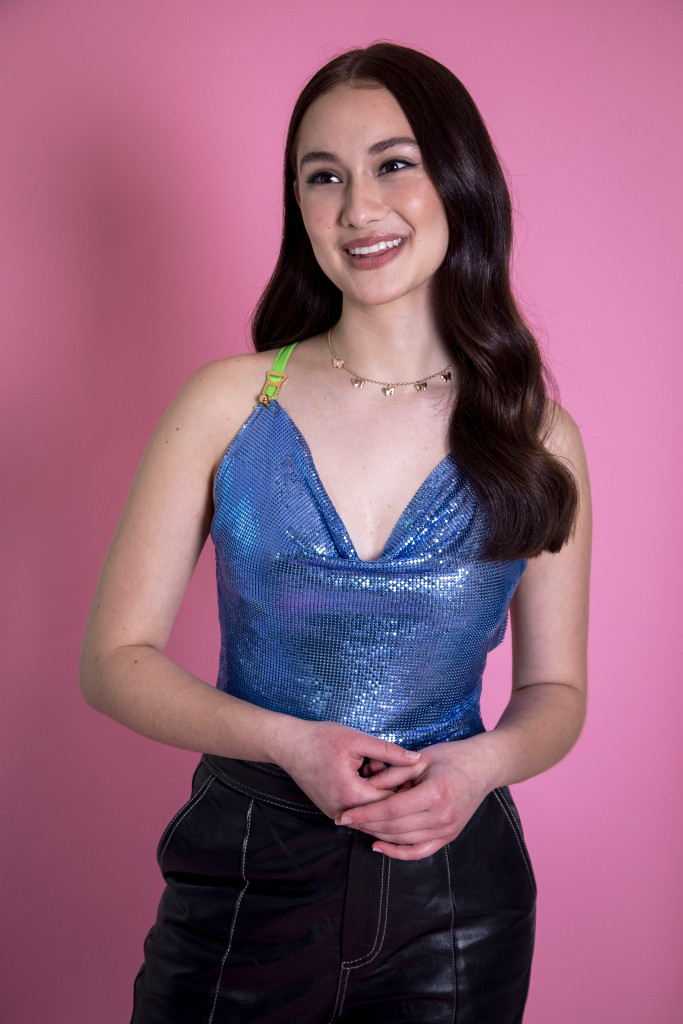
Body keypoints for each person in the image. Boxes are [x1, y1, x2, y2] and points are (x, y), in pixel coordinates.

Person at [80, 42, 591, 1024]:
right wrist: (287, 743)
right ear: (299, 206)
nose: (358, 208)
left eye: (392, 164)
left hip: (458, 899)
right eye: (324, 177)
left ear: (460, 180)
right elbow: (112, 660)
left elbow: (554, 692)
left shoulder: (537, 434)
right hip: (245, 870)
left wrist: (478, 766)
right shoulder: (228, 402)